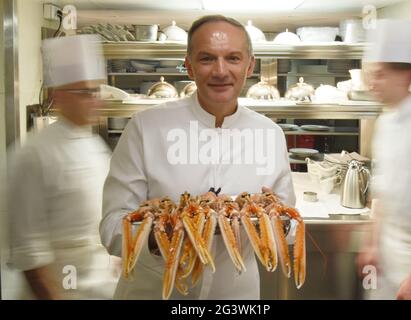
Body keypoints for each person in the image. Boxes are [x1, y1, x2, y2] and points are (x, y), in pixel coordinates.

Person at [100, 15, 295, 299]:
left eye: (233, 58)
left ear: (249, 66)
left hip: (234, 297)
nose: (220, 71)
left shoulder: (270, 134)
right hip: (154, 292)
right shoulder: (145, 127)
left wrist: (265, 220)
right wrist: (167, 232)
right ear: (189, 66)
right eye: (206, 59)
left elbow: (288, 227)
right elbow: (110, 227)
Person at [8, 34, 119, 299]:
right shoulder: (33, 154)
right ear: (58, 96)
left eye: (97, 90)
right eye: (85, 92)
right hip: (61, 288)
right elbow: (29, 251)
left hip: (101, 286)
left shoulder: (94, 145)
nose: (96, 99)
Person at [357, 19, 411, 300]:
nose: (372, 83)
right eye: (370, 74)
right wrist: (372, 243)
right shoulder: (385, 120)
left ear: (406, 76)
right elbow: (381, 194)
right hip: (386, 249)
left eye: (379, 75)